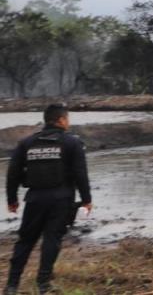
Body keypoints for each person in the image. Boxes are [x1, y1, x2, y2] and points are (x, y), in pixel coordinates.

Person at [4, 104, 92, 294]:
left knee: (25, 241)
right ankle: (43, 284)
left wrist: (12, 200)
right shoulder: (72, 143)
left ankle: (11, 285)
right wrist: (86, 200)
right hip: (61, 199)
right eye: (67, 119)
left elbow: (12, 174)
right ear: (61, 120)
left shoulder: (27, 143)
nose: (68, 123)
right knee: (52, 239)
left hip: (34, 199)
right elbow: (80, 174)